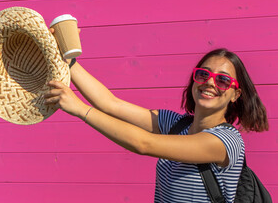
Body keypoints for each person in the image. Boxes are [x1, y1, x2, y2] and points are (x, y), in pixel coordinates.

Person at [44, 32, 269, 202]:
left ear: (235, 94)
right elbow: (110, 104)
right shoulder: (176, 124)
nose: (210, 83)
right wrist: (65, 60)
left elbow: (144, 143)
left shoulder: (227, 142)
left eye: (222, 80)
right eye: (203, 74)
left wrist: (79, 109)